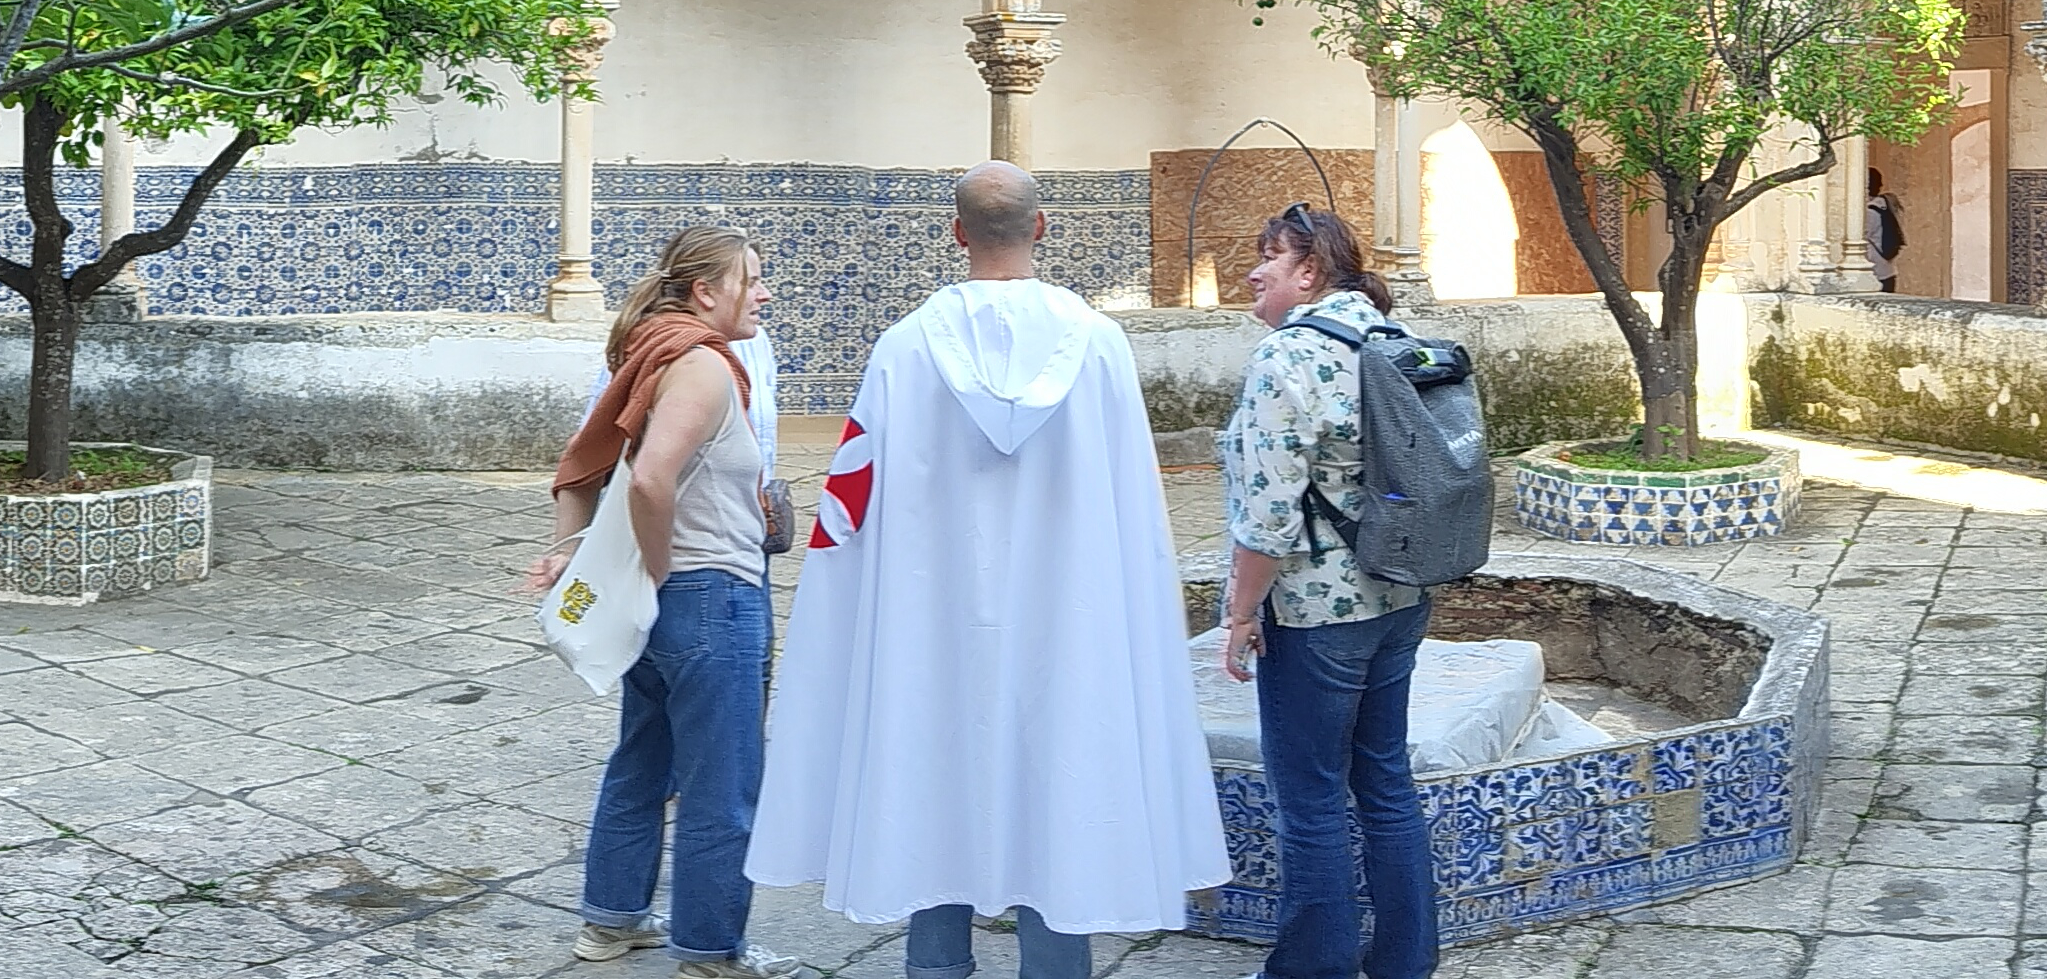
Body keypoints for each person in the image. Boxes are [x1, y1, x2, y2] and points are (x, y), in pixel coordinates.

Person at [750, 163, 1212, 979]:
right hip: (1070, 623)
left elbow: (848, 506)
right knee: (1061, 772)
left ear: (957, 233)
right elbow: (1135, 506)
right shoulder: (1100, 346)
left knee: (931, 762)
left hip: (931, 624)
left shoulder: (902, 349)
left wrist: (848, 611)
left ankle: (935, 965)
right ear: (1040, 228)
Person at [538, 229, 785, 973]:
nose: (766, 293)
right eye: (754, 278)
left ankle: (609, 923)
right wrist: (658, 566)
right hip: (710, 595)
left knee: (643, 760)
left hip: (662, 601)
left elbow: (585, 461)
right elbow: (649, 480)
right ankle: (711, 951)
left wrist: (572, 548)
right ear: (707, 292)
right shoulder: (704, 364)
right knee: (723, 786)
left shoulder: (646, 350)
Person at [1215, 205, 1446, 979]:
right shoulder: (1397, 342)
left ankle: (1310, 970)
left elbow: (1268, 521)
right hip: (1402, 597)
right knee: (1384, 780)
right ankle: (1405, 964)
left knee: (1310, 799)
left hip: (1317, 617)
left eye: (1268, 258)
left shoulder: (1288, 359)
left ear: (1308, 270)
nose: (1253, 272)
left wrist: (1241, 614)